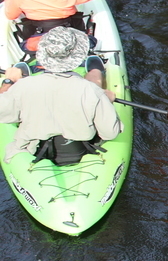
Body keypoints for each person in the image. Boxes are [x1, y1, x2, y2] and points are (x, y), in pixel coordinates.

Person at [0, 26, 121, 164]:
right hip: (82, 149)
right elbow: (110, 133)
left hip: (35, 152)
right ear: (77, 57)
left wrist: (9, 81)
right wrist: (106, 101)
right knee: (94, 75)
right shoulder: (92, 91)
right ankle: (95, 71)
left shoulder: (22, 87)